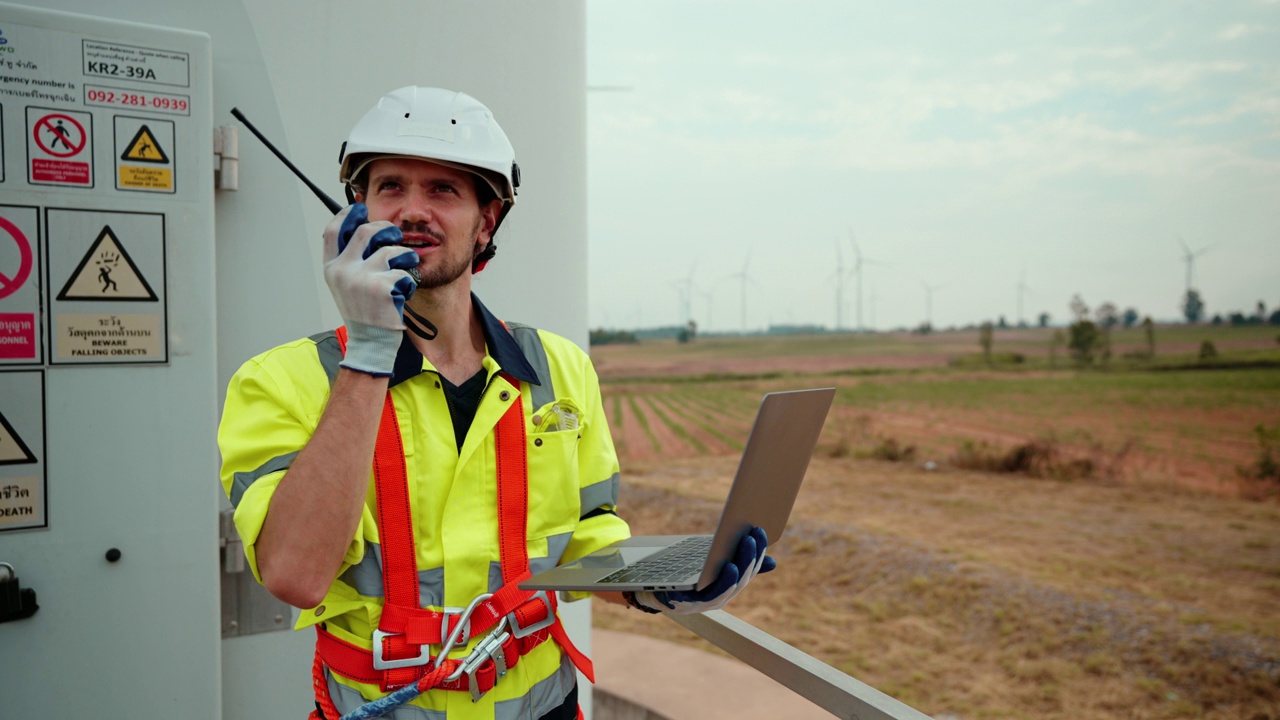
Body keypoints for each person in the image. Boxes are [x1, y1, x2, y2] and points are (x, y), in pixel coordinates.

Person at [218, 86, 774, 720]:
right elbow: (295, 575)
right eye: (390, 187)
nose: (411, 210)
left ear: (487, 221)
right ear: (356, 211)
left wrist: (665, 582)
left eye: (444, 191)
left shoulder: (558, 367)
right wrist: (370, 350)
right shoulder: (280, 380)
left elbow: (585, 539)